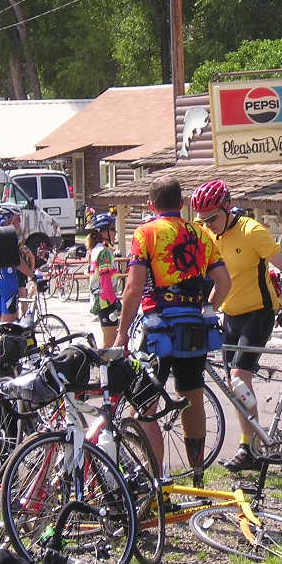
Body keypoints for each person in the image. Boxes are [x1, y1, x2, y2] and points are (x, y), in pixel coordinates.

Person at [114, 176, 230, 485]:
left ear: (150, 205)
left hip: (159, 329)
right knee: (193, 396)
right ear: (181, 204)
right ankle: (197, 475)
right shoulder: (201, 234)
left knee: (145, 403)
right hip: (194, 326)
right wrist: (209, 307)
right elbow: (225, 283)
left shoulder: (146, 233)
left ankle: (157, 477)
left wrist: (121, 335)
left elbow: (134, 287)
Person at [189, 179, 282, 472]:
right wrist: (205, 311)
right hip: (230, 316)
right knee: (233, 384)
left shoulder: (251, 230)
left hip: (258, 313)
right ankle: (251, 444)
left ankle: (253, 445)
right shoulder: (208, 235)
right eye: (203, 220)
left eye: (212, 218)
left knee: (238, 378)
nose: (208, 225)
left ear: (227, 207)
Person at [0, 203, 34, 323]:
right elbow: (18, 262)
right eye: (17, 219)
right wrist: (32, 275)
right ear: (9, 218)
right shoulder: (9, 236)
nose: (19, 223)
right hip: (7, 284)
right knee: (8, 327)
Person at [87, 213, 121, 347]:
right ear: (103, 232)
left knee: (111, 342)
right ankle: (97, 367)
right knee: (109, 343)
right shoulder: (104, 252)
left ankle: (106, 368)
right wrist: (115, 301)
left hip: (101, 301)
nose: (115, 232)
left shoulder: (97, 249)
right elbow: (105, 282)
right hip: (105, 302)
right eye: (112, 229)